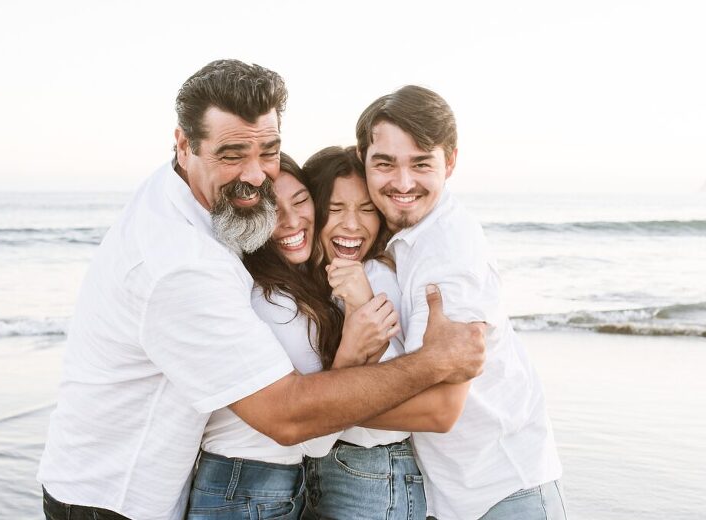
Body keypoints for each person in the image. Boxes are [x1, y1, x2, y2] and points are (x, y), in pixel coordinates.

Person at [37, 60, 486, 520]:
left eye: (268, 151)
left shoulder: (191, 197)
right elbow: (287, 417)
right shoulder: (178, 263)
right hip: (113, 499)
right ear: (183, 144)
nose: (255, 175)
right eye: (232, 155)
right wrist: (433, 361)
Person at [354, 85, 567, 520]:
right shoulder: (408, 240)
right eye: (385, 164)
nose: (403, 182)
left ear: (450, 162)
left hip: (504, 493)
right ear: (364, 162)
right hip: (460, 496)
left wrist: (312, 413)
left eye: (421, 163)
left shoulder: (448, 255)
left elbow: (440, 410)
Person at [188, 153, 395, 519]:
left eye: (300, 201)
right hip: (247, 483)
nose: (291, 220)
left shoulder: (299, 288)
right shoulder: (270, 302)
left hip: (263, 482)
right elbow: (313, 439)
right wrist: (350, 348)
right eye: (272, 209)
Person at [300, 146, 471, 520]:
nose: (352, 225)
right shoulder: (312, 281)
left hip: (373, 470)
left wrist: (363, 304)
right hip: (319, 467)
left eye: (365, 210)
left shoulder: (378, 277)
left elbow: (402, 380)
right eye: (335, 208)